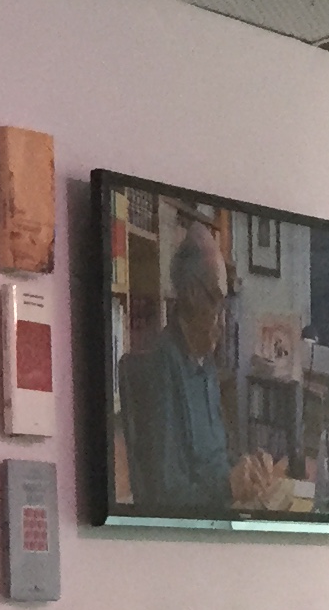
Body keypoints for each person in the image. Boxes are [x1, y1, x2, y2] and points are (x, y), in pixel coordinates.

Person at [119, 213, 283, 513]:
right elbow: (164, 500)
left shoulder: (205, 362)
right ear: (193, 294)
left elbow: (218, 456)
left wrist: (248, 465)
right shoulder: (158, 367)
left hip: (222, 511)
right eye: (217, 300)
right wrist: (229, 486)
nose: (223, 320)